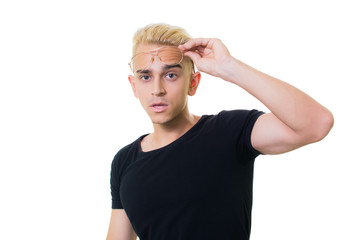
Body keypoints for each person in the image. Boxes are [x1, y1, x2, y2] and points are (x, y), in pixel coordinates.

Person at [106, 23, 334, 240]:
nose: (157, 90)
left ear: (193, 83)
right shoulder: (125, 161)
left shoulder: (229, 132)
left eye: (171, 75)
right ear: (134, 85)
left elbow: (317, 123)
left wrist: (229, 68)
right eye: (145, 76)